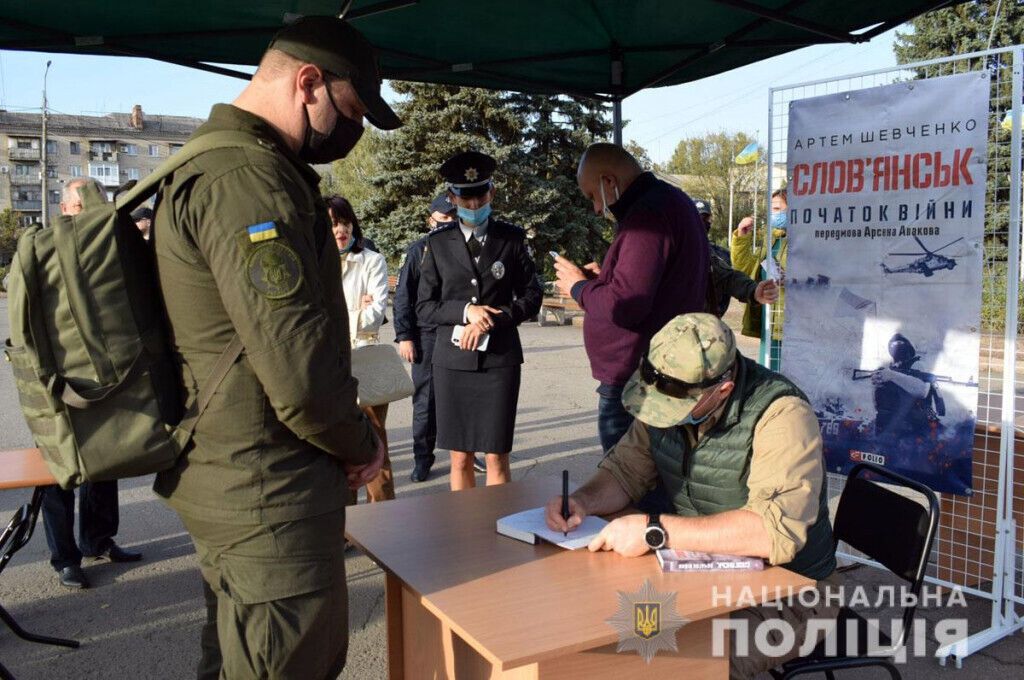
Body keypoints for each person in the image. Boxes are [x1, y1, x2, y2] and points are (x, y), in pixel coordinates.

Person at [152, 16, 397, 679]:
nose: (354, 134)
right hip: (271, 493)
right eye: (350, 112)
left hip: (247, 479)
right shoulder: (249, 180)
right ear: (309, 82)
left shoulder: (226, 165)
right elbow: (301, 372)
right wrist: (361, 444)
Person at [545, 313, 838, 679]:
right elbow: (625, 471)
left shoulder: (781, 415)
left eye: (676, 409)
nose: (662, 417)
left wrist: (654, 530)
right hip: (703, 573)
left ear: (723, 390)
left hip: (792, 592)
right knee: (595, 633)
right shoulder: (666, 392)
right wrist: (584, 501)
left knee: (677, 664)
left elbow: (770, 532)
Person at [554, 142, 709, 457]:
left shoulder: (647, 215)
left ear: (608, 181)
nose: (597, 209)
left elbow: (627, 304)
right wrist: (602, 280)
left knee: (630, 487)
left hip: (639, 383)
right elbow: (649, 284)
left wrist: (578, 287)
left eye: (592, 196)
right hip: (656, 372)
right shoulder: (669, 201)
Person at [416, 151, 543, 491]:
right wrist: (465, 312)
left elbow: (532, 296)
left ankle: (498, 531)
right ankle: (464, 533)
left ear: (492, 194)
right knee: (459, 457)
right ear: (453, 198)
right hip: (453, 363)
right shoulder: (438, 244)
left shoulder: (511, 239)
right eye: (465, 196)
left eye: (480, 195)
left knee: (496, 456)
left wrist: (494, 318)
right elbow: (425, 307)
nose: (473, 203)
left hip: (499, 361)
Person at [39, 177, 142, 590]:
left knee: (105, 461)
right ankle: (65, 557)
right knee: (59, 470)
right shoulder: (43, 249)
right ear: (65, 210)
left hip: (100, 377)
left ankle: (98, 540)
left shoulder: (105, 251)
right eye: (84, 208)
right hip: (58, 379)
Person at [394, 194, 484, 482]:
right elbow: (403, 297)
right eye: (443, 219)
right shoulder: (418, 250)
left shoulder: (466, 248)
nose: (448, 224)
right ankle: (423, 458)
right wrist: (405, 336)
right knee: (426, 403)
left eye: (452, 218)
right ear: (430, 219)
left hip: (459, 333)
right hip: (427, 336)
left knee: (468, 398)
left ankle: (470, 452)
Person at [328, 195, 395, 502]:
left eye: (344, 222)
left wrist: (343, 316)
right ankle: (345, 524)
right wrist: (355, 311)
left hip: (364, 359)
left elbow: (376, 314)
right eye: (331, 224)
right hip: (328, 365)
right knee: (335, 448)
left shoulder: (372, 260)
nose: (340, 229)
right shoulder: (316, 263)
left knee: (373, 443)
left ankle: (383, 516)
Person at [731, 188, 788, 369]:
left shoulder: (805, 240)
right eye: (771, 209)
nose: (773, 214)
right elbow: (745, 269)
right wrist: (741, 237)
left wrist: (794, 280)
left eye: (778, 209)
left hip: (789, 326)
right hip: (768, 323)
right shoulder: (770, 239)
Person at [693, 197, 778, 317]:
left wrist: (753, 291)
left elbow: (729, 278)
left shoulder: (712, 254)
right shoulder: (671, 248)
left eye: (705, 218)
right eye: (696, 218)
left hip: (705, 324)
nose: (701, 223)